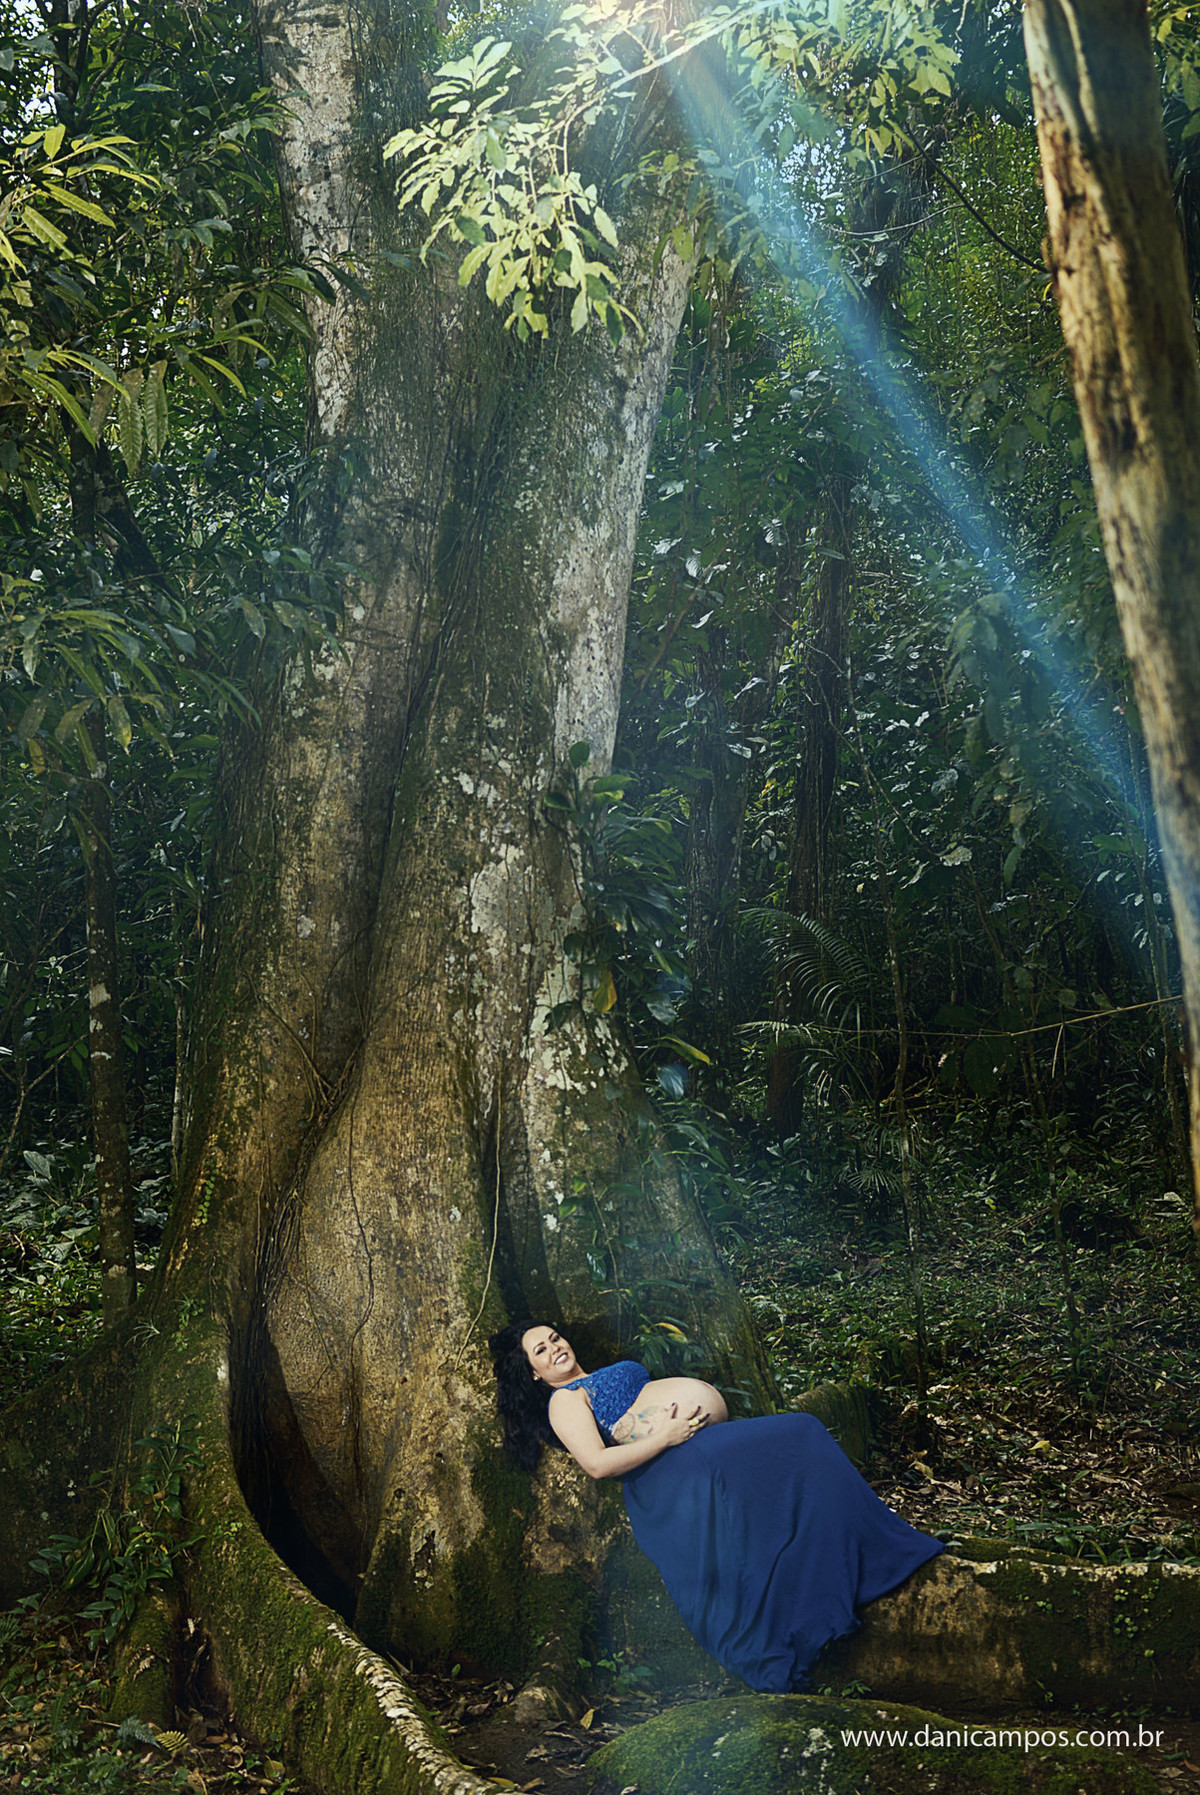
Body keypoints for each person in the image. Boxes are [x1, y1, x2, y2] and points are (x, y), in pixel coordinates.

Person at [489, 1320, 944, 1694]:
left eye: (554, 1339)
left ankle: (866, 1556)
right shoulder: (563, 1402)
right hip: (678, 1467)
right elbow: (597, 1463)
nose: (554, 1349)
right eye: (541, 1351)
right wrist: (666, 1436)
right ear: (532, 1372)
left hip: (696, 1453)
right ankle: (873, 1559)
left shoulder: (590, 1378)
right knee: (803, 1433)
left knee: (795, 1462)